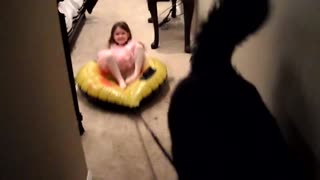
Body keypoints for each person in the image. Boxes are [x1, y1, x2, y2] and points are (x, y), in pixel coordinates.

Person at [96, 21, 146, 88]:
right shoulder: (113, 48)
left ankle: (136, 74)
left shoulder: (131, 44)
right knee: (108, 56)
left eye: (123, 33)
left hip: (131, 71)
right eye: (117, 34)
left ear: (128, 35)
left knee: (139, 47)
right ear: (113, 36)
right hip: (119, 72)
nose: (120, 36)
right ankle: (120, 81)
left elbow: (139, 51)